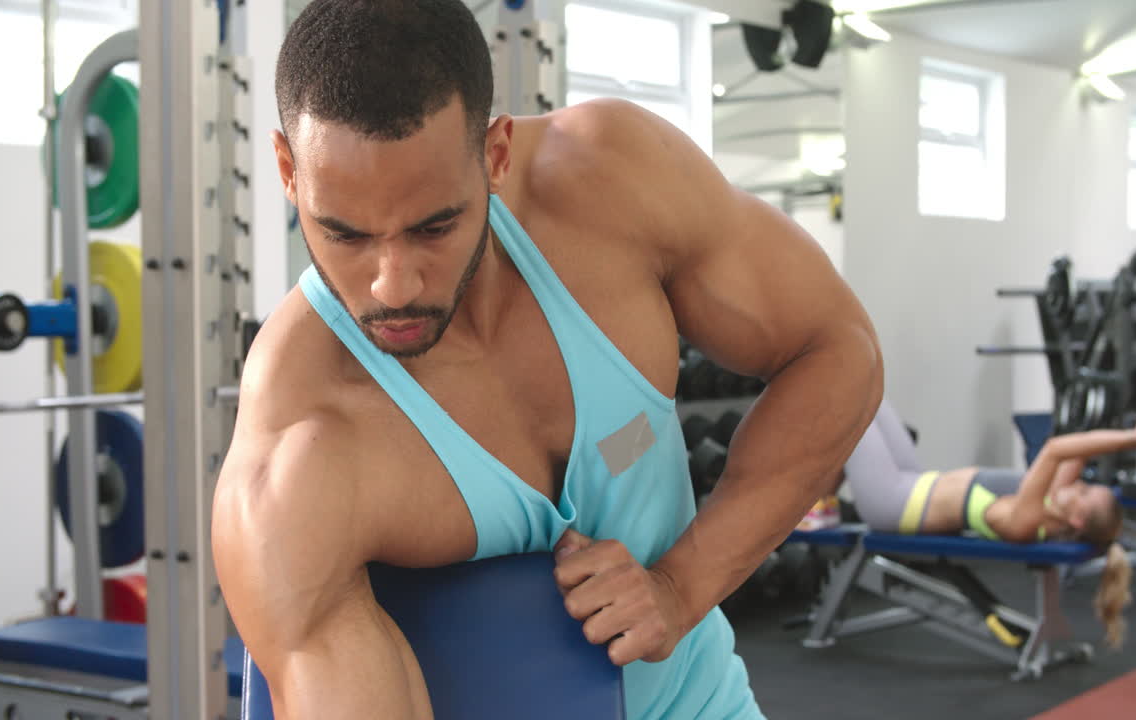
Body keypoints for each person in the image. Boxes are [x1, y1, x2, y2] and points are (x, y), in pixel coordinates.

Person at [210, 1, 883, 718]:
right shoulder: (300, 453)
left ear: (495, 155)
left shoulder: (611, 186)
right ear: (287, 169)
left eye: (435, 227)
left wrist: (682, 588)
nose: (392, 284)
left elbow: (841, 351)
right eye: (345, 235)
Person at [839, 398, 1136, 648]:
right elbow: (1079, 448)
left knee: (848, 401)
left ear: (1076, 518)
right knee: (869, 390)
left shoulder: (1027, 521)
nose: (1077, 484)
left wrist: (1134, 438)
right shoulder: (1052, 501)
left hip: (891, 503)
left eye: (1084, 490)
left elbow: (1057, 449)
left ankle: (812, 493)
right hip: (911, 480)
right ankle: (822, 492)